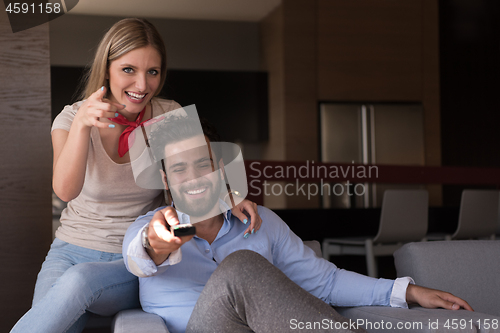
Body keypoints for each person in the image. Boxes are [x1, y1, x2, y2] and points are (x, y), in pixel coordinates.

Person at [10, 18, 261, 333]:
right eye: (129, 69)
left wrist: (230, 196)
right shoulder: (72, 117)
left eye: (152, 72)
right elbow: (65, 191)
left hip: (132, 256)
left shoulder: (169, 116)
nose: (142, 85)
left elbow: (199, 172)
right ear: (107, 69)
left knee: (78, 282)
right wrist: (82, 126)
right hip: (68, 251)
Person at [123, 116, 473, 333]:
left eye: (203, 165)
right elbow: (139, 254)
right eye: (180, 169)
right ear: (166, 180)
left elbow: (325, 281)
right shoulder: (147, 228)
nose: (194, 178)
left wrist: (407, 292)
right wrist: (157, 244)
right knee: (241, 266)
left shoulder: (261, 223)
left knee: (254, 267)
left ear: (221, 170)